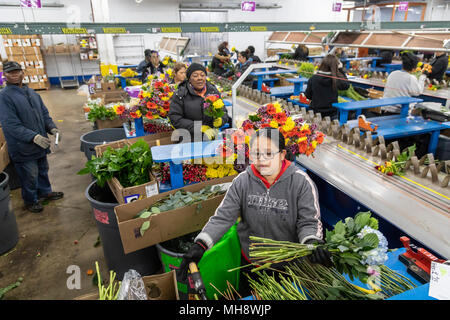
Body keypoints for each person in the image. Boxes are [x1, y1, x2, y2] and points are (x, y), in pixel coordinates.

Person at [176, 128, 331, 295]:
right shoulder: (242, 182)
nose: (261, 160)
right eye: (256, 154)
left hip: (289, 268)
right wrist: (200, 245)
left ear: (282, 154)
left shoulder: (301, 183)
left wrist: (311, 243)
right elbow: (223, 218)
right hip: (251, 265)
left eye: (269, 153)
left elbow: (308, 222)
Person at [0, 61, 64, 213]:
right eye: (10, 73)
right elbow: (10, 124)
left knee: (43, 169)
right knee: (29, 174)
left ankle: (45, 191)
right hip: (23, 146)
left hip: (41, 143)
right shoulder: (4, 97)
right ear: (5, 76)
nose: (14, 75)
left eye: (17, 72)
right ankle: (30, 200)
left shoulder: (32, 93)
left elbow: (44, 114)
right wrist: (33, 137)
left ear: (22, 73)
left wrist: (52, 128)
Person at [168, 63, 230, 142]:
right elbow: (175, 117)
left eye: (202, 75)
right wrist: (198, 127)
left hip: (210, 138)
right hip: (189, 139)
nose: (199, 78)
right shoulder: (181, 94)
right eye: (195, 75)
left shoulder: (213, 91)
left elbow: (223, 111)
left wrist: (221, 120)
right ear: (189, 78)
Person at [304, 54, 350, 120]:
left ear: (323, 64)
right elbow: (346, 85)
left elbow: (308, 96)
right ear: (336, 66)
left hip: (314, 114)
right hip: (331, 115)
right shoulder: (335, 80)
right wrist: (341, 69)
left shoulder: (313, 78)